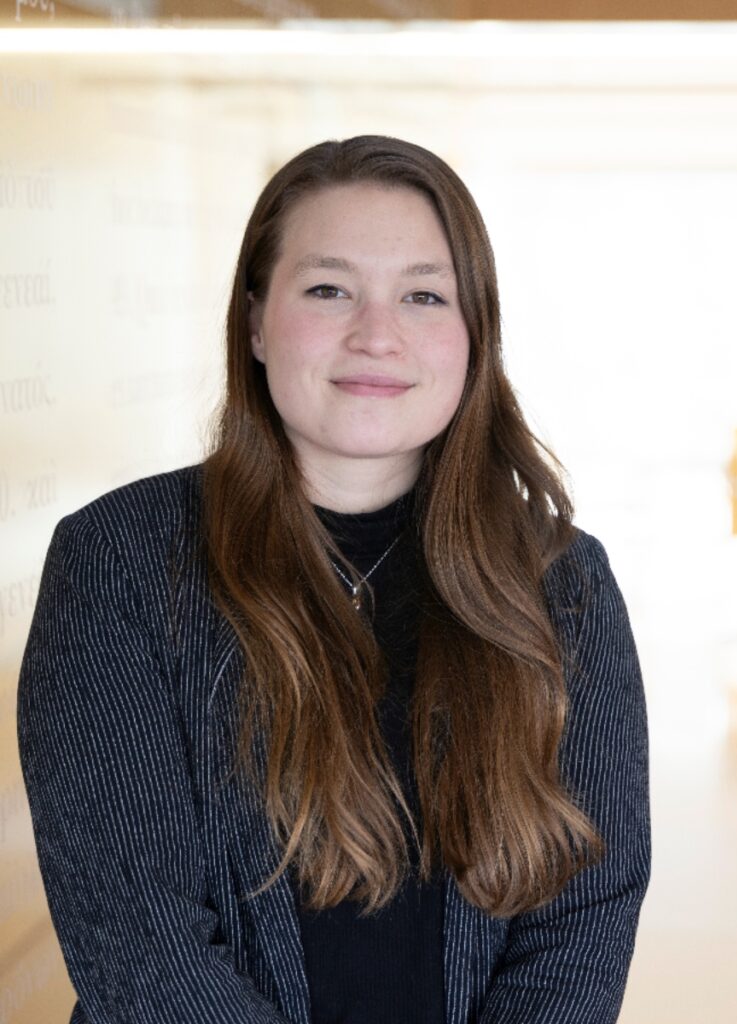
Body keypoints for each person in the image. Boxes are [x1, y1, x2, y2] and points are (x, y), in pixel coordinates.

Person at [16, 135, 651, 1024]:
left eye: (424, 295)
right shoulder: (118, 563)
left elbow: (582, 918)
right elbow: (137, 941)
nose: (377, 335)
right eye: (328, 290)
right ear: (254, 322)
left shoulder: (560, 583)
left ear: (475, 334)